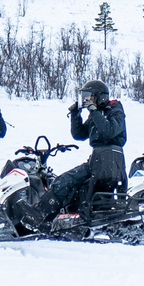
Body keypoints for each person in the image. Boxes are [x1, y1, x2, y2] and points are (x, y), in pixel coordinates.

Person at [50, 80, 128, 218]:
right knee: (67, 181)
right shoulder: (96, 113)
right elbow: (79, 134)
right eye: (85, 97)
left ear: (100, 96)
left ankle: (46, 213)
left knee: (68, 180)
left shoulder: (115, 110)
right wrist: (75, 114)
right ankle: (55, 211)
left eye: (90, 96)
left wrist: (94, 111)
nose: (87, 100)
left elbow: (109, 131)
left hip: (111, 158)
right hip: (97, 158)